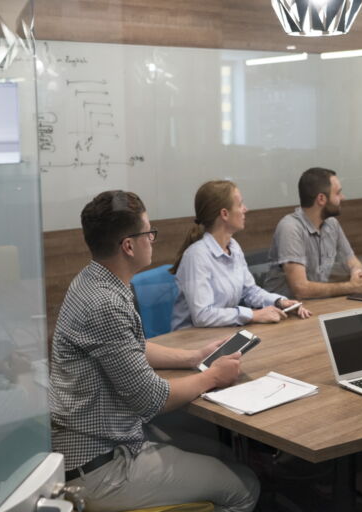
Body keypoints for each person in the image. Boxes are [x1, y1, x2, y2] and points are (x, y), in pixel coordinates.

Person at [49, 190, 259, 512]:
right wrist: (214, 376)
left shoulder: (93, 280)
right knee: (244, 486)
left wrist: (193, 357)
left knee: (222, 453)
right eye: (149, 232)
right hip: (101, 466)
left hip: (107, 441)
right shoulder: (105, 303)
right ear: (128, 245)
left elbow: (129, 347)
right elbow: (152, 398)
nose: (153, 239)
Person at [170, 180, 312, 330]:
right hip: (190, 341)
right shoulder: (196, 256)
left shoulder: (233, 247)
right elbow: (202, 316)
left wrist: (280, 302)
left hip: (221, 333)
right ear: (224, 214)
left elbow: (250, 291)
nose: (245, 209)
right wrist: (253, 315)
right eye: (240, 205)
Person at [261, 167, 362, 298]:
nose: (343, 197)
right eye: (338, 193)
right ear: (321, 199)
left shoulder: (332, 224)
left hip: (314, 306)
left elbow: (353, 262)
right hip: (283, 312)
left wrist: (357, 272)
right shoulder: (290, 228)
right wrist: (352, 287)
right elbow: (301, 289)